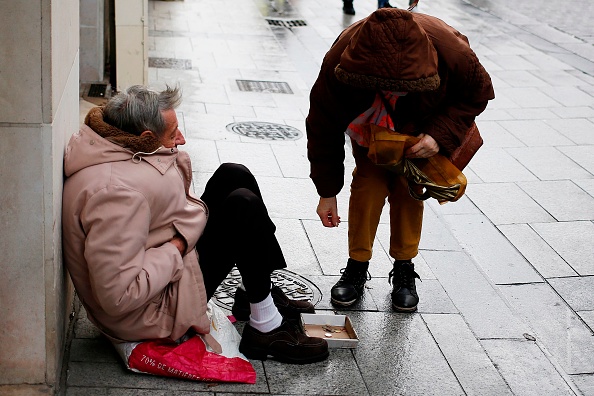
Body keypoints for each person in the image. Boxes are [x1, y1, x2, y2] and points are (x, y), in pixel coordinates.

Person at [62, 85, 329, 365]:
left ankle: (256, 292)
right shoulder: (115, 194)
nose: (182, 139)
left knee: (233, 174)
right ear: (145, 137)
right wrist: (178, 245)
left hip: (164, 269)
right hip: (151, 312)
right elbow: (119, 297)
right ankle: (266, 328)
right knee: (243, 206)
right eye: (172, 133)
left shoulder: (112, 145)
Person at [306, 9, 494, 312]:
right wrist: (326, 193)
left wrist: (437, 135)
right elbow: (322, 126)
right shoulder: (341, 59)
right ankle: (357, 265)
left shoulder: (451, 51)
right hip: (373, 130)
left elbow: (477, 94)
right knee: (367, 184)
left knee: (408, 190)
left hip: (423, 126)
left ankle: (404, 268)